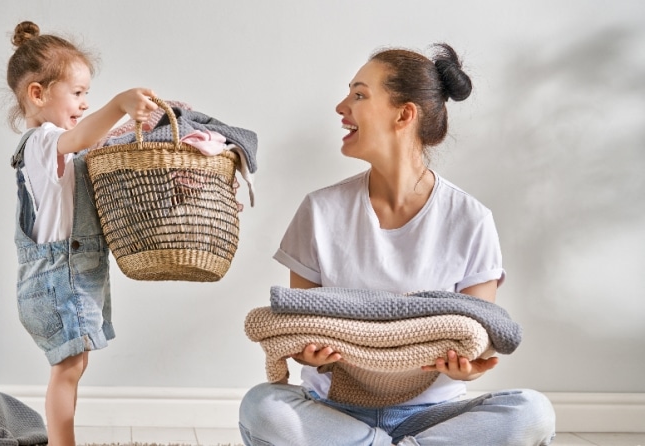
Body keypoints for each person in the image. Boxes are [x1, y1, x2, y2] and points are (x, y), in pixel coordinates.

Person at [238, 44, 556, 446]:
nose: (341, 106)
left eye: (359, 94)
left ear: (404, 114)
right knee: (261, 407)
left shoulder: (470, 218)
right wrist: (305, 354)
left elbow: (479, 336)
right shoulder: (320, 209)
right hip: (333, 412)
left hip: (433, 416)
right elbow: (299, 325)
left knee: (531, 413)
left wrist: (468, 369)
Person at [5, 21, 157, 446]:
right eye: (77, 93)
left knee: (73, 366)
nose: (85, 103)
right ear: (38, 94)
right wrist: (119, 104)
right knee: (68, 369)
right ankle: (61, 442)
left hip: (72, 274)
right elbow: (81, 136)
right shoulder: (41, 142)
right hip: (58, 279)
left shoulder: (59, 147)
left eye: (87, 94)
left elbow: (89, 150)